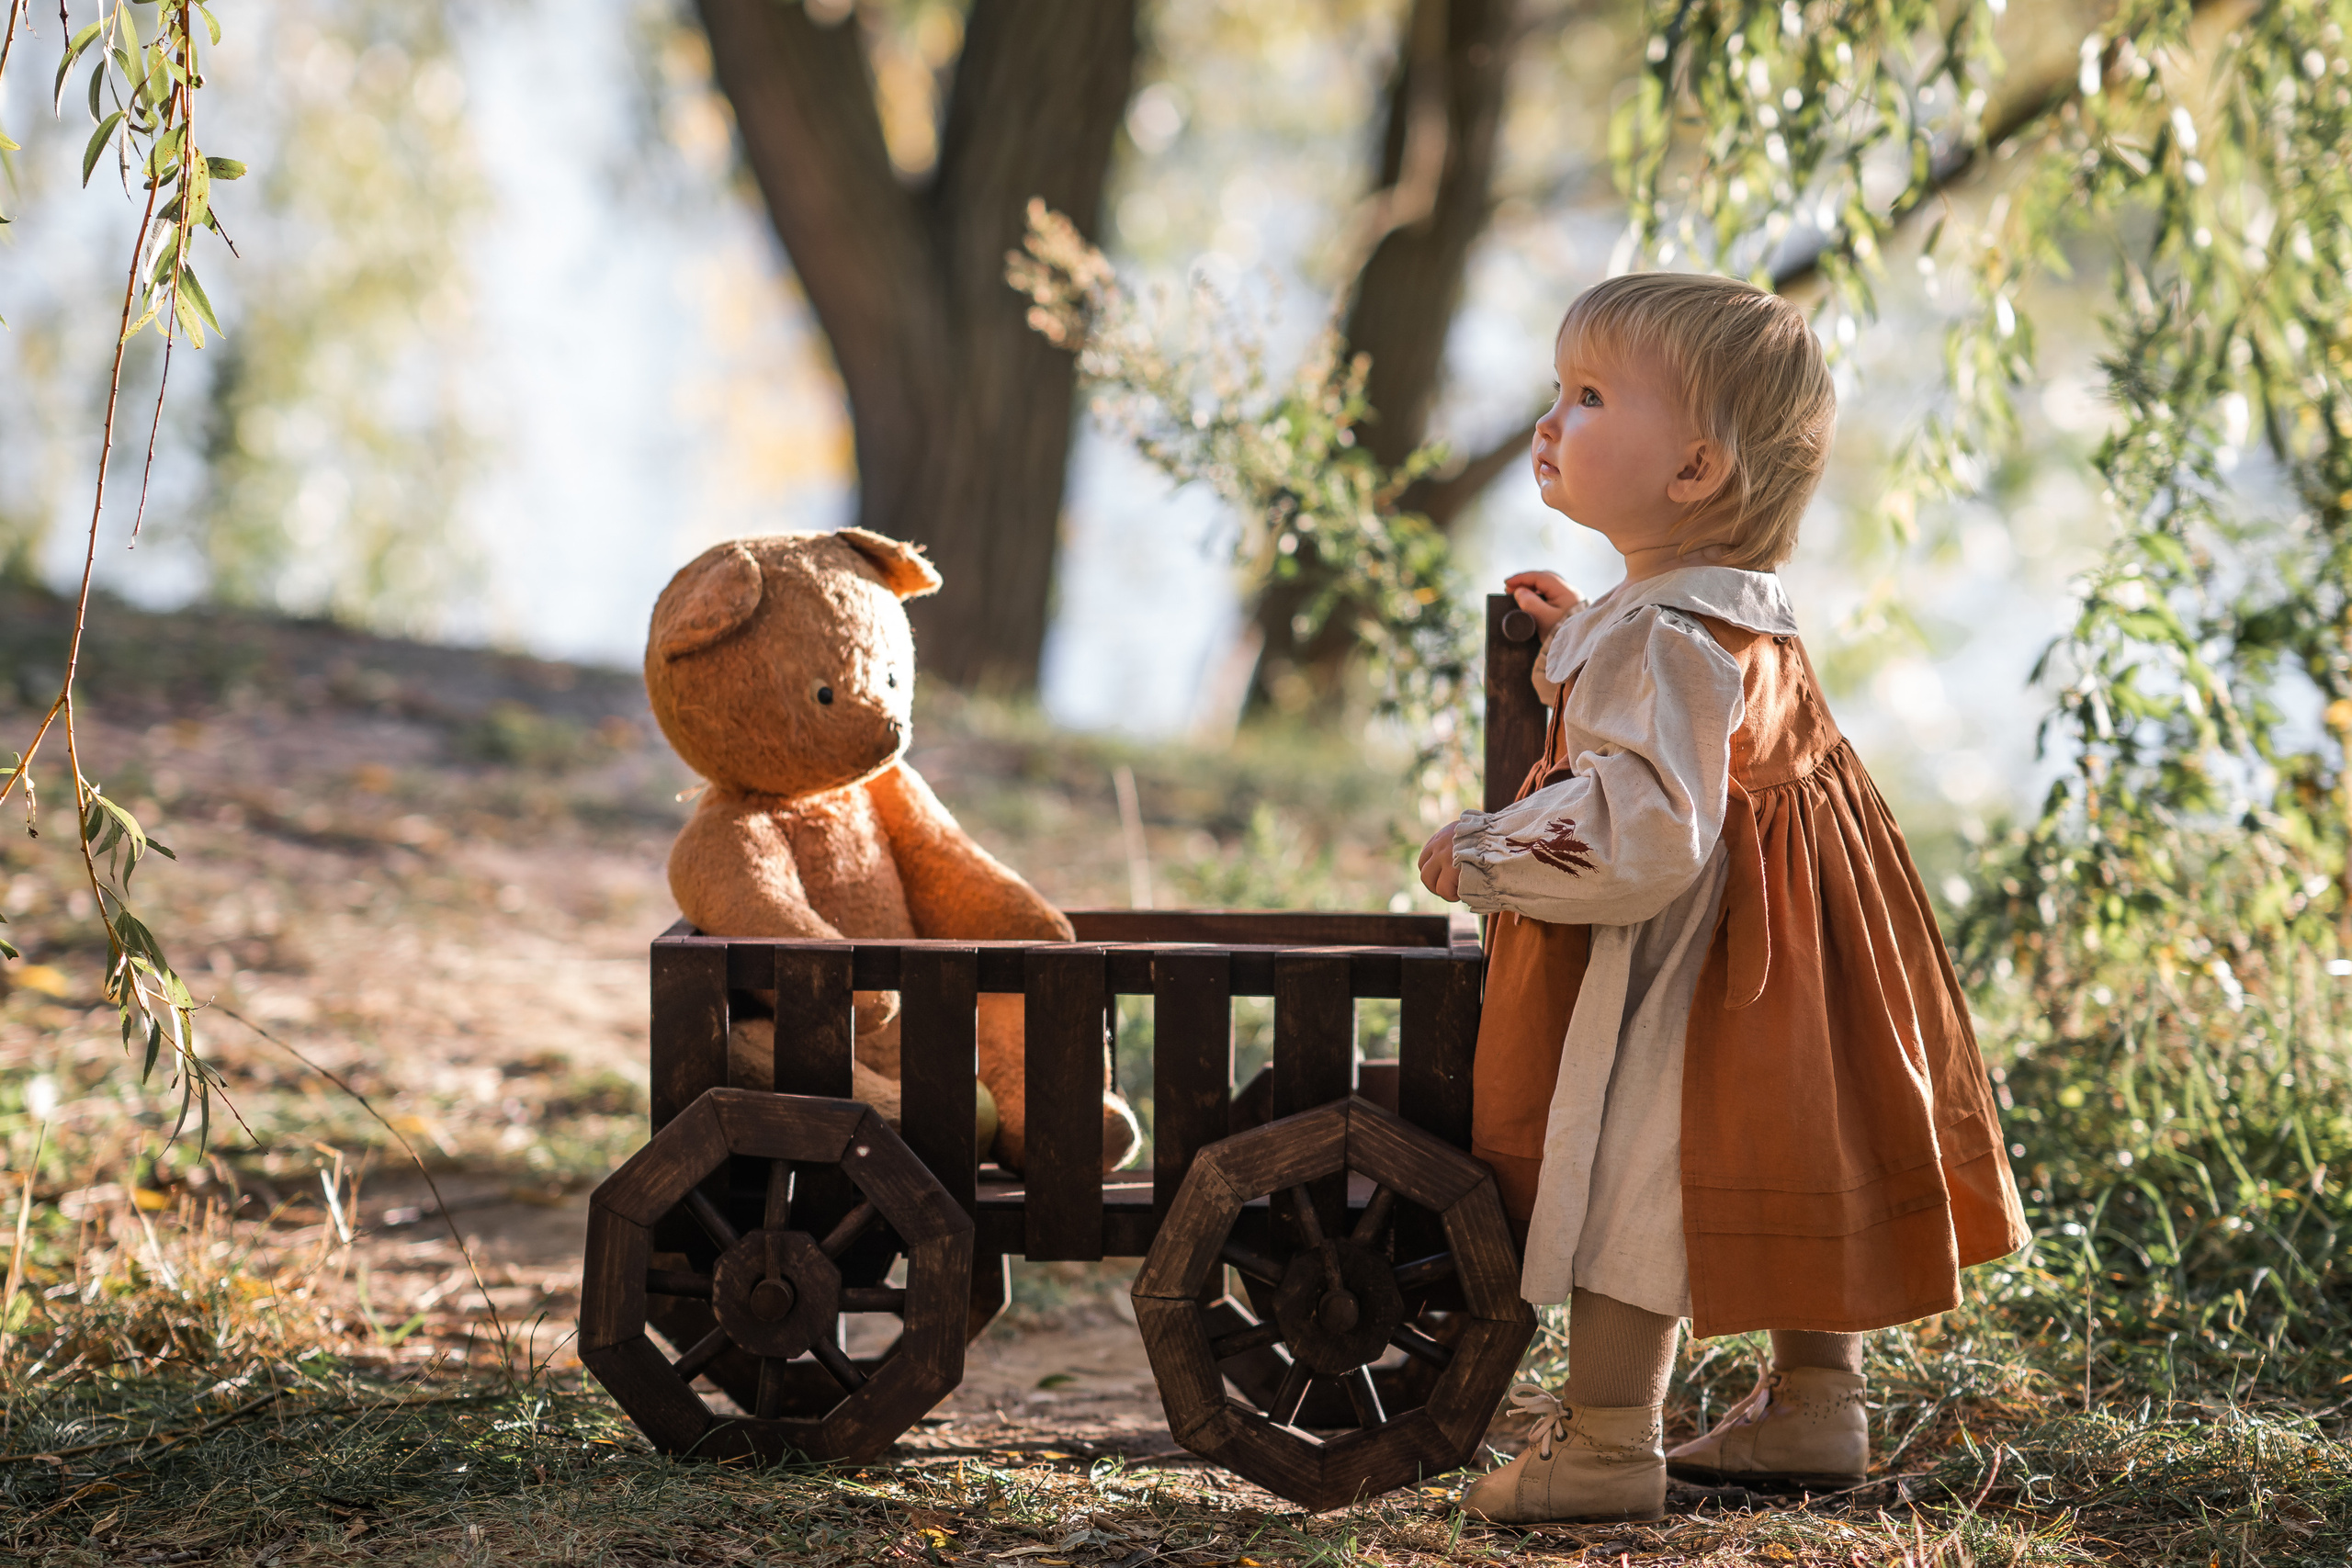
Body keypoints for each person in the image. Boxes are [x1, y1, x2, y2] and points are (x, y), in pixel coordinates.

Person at [1417, 272, 2029, 1525]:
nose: (1550, 421)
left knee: (1639, 1173)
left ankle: (1601, 1446)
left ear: (1693, 471)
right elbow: (1687, 723)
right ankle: (1815, 1402)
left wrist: (1485, 848)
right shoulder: (1720, 617)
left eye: (1589, 396)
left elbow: (1645, 831)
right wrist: (1593, 630)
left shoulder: (1666, 641)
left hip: (1697, 976)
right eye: (1557, 390)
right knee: (1795, 1143)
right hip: (1800, 969)